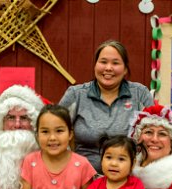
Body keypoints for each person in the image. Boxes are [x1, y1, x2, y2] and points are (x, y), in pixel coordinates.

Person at [59, 39, 154, 173]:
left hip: (129, 178)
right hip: (83, 178)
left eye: (115, 63)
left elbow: (153, 135)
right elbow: (55, 129)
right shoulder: (76, 94)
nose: (108, 68)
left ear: (125, 68)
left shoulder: (140, 94)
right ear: (95, 65)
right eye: (103, 62)